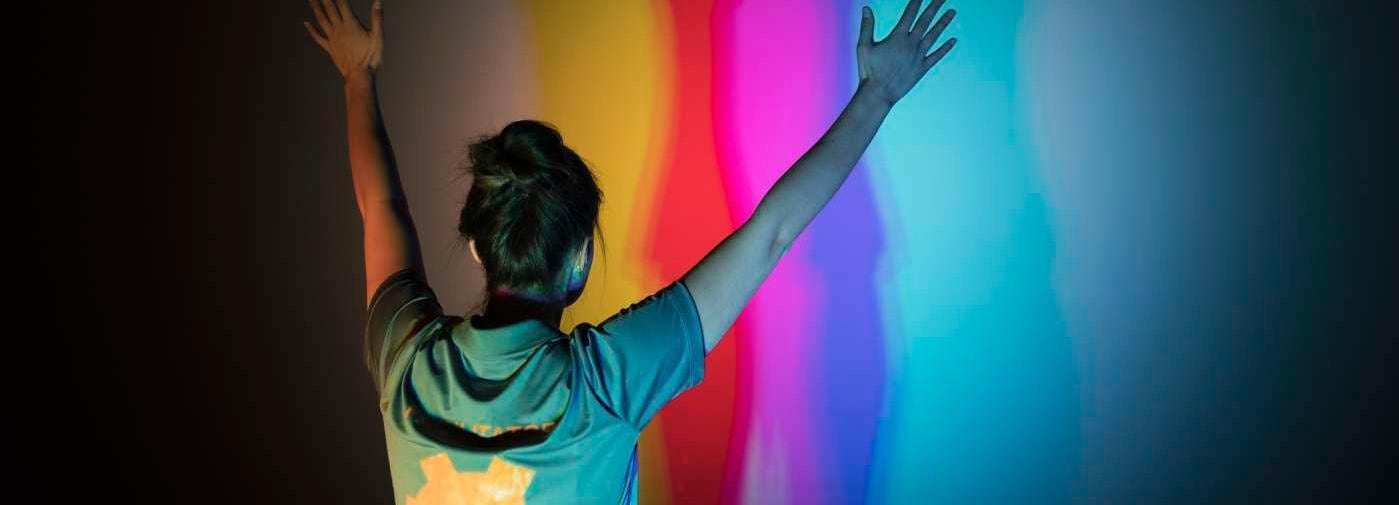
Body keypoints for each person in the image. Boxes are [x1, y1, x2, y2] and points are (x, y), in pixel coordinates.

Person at [302, 0, 957, 502]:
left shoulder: (407, 363)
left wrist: (358, 77)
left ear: (476, 246)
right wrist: (878, 93)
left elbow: (380, 208)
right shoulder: (604, 383)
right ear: (582, 260)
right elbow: (771, 234)